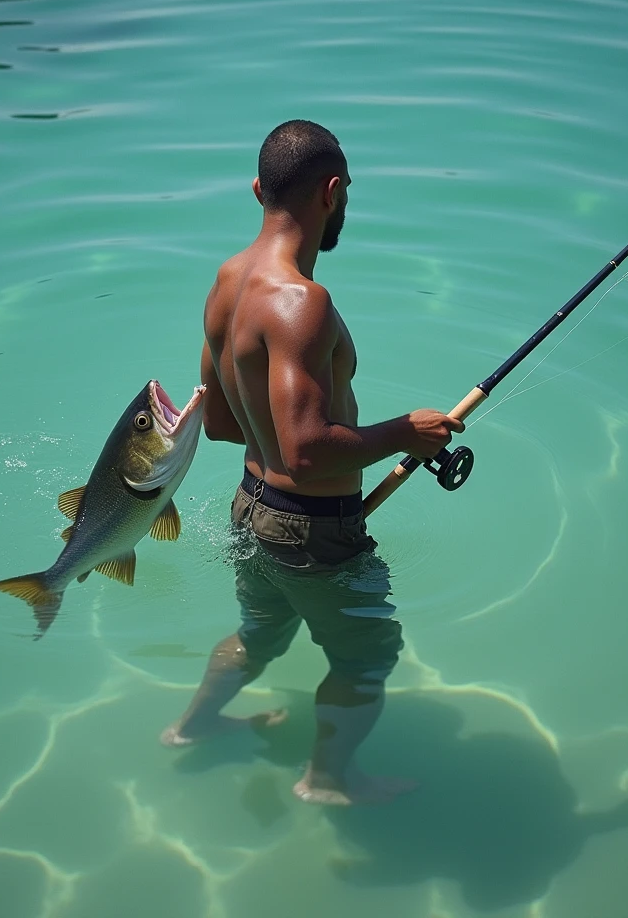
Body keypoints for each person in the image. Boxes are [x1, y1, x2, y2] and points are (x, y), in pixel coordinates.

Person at [160, 120, 463, 805]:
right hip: (313, 529)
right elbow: (305, 450)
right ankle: (327, 779)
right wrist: (403, 433)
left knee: (257, 635)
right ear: (332, 192)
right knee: (365, 656)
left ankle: (193, 728)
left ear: (258, 188)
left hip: (250, 508)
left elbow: (217, 424)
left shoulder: (227, 282)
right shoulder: (303, 302)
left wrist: (282, 478)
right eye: (346, 192)